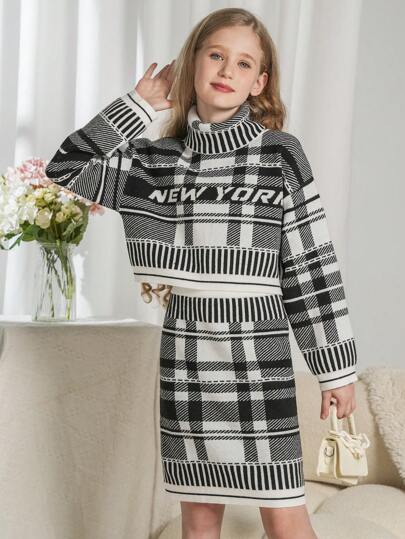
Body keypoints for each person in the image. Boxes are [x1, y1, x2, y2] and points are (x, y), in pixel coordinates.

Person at [45, 7, 358, 539]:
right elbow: (67, 166)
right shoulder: (155, 162)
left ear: (259, 82)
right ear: (192, 62)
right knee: (199, 521)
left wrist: (336, 369)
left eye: (243, 63)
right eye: (216, 55)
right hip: (186, 348)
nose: (227, 70)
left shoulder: (279, 155)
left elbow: (311, 265)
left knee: (285, 518)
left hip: (258, 350)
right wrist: (138, 103)